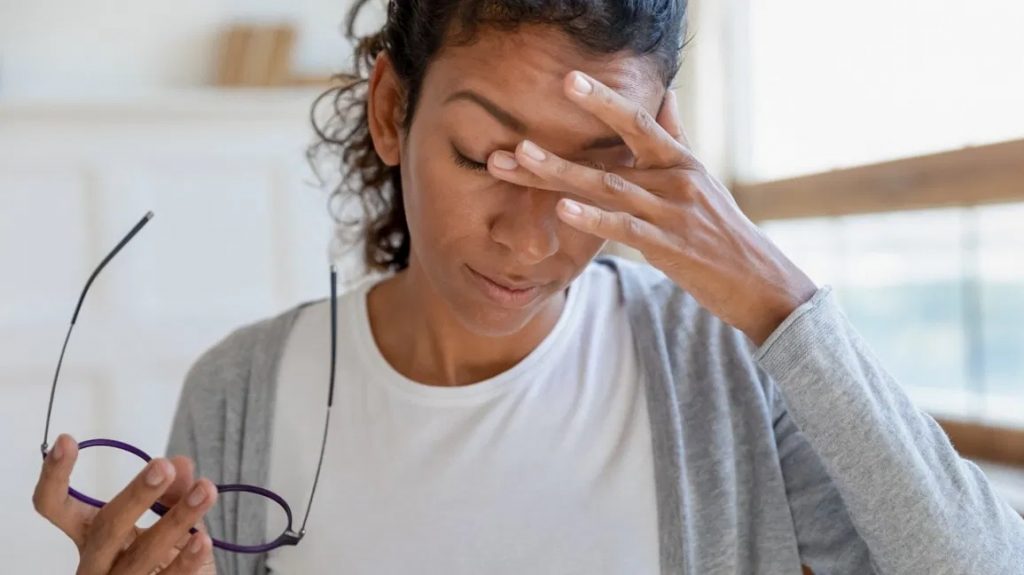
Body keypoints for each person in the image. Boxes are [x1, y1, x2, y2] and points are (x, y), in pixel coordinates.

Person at [33, 0, 1024, 573]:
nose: (530, 235)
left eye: (593, 168)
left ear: (659, 142)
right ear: (391, 110)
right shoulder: (242, 387)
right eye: (482, 157)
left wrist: (779, 304)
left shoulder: (726, 365)